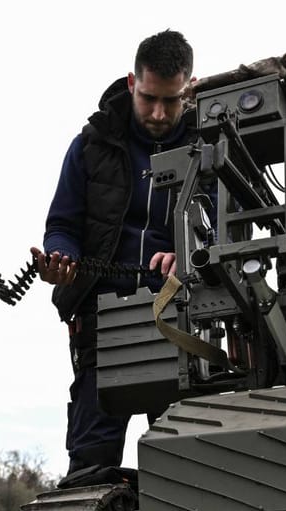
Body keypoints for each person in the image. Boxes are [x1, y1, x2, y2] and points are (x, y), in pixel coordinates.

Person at [31, 30, 196, 479]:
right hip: (103, 323)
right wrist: (60, 258)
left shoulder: (214, 146)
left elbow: (229, 218)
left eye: (172, 101)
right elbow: (62, 225)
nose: (159, 113)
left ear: (190, 88)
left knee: (186, 462)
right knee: (90, 460)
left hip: (183, 321)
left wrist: (191, 252)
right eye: (149, 99)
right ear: (131, 82)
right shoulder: (90, 145)